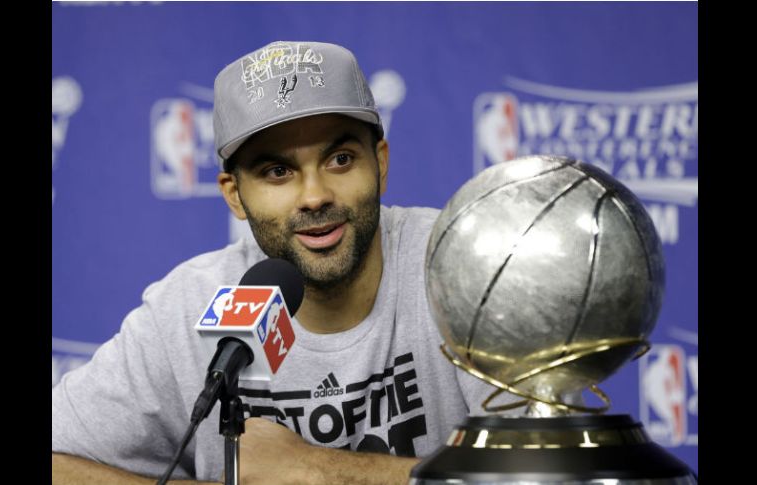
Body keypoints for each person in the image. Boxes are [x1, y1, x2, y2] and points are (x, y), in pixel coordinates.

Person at [52, 40, 519, 485]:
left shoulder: (468, 264)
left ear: (380, 163)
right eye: (277, 171)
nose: (314, 196)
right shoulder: (187, 308)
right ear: (235, 195)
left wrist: (318, 472)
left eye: (340, 159)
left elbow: (544, 471)